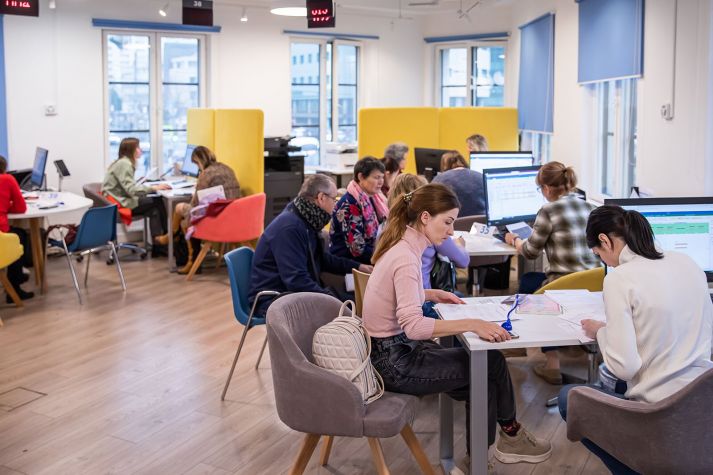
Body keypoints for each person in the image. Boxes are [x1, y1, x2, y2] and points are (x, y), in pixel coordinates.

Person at [364, 183, 551, 473]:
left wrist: (429, 294)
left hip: (390, 352)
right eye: (448, 222)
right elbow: (414, 327)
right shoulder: (406, 258)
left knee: (487, 371)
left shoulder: (402, 246)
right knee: (488, 368)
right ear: (425, 217)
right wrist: (473, 323)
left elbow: (394, 296)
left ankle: (487, 453)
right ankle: (505, 440)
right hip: (395, 360)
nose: (451, 232)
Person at [559, 205, 713, 474]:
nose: (606, 263)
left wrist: (601, 332)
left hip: (659, 412)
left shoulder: (620, 279)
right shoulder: (688, 262)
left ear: (605, 240)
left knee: (568, 397)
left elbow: (624, 367)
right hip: (702, 402)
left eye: (599, 255)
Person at [504, 161, 599, 384]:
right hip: (595, 283)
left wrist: (515, 240)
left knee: (528, 282)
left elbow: (530, 252)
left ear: (546, 188)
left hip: (564, 285)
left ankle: (552, 363)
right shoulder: (591, 207)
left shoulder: (548, 210)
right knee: (535, 280)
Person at [249, 174, 372, 318]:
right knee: (353, 309)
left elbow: (321, 259)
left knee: (354, 303)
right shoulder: (290, 228)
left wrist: (358, 267)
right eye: (334, 199)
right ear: (321, 198)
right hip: (274, 300)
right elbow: (296, 280)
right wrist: (331, 299)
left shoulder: (304, 217)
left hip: (292, 292)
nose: (335, 205)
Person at [155, 146, 240, 274]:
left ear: (199, 161)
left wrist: (196, 191)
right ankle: (172, 236)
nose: (198, 168)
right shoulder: (227, 168)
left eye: (196, 164)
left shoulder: (206, 174)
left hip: (215, 218)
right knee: (184, 214)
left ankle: (187, 255)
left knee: (181, 212)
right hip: (232, 217)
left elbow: (195, 205)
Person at [102, 137, 170, 247]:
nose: (140, 150)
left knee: (154, 210)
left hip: (116, 200)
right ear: (131, 150)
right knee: (157, 200)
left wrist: (139, 182)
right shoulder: (125, 164)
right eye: (138, 147)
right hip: (120, 204)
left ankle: (160, 245)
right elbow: (131, 190)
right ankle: (168, 238)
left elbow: (125, 186)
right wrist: (154, 188)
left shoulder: (122, 162)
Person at [330, 156, 388, 264]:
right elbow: (357, 249)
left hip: (369, 255)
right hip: (349, 262)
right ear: (361, 177)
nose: (381, 182)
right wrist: (386, 255)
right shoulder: (349, 205)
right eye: (376, 177)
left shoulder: (373, 198)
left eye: (382, 177)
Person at [0, 155, 33, 302]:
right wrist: (6, 206)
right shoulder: (7, 179)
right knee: (19, 236)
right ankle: (14, 287)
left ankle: (18, 275)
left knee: (17, 233)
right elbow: (21, 207)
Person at [432, 150, 485, 217]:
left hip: (453, 222)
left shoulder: (439, 180)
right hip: (481, 222)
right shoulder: (481, 176)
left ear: (444, 165)